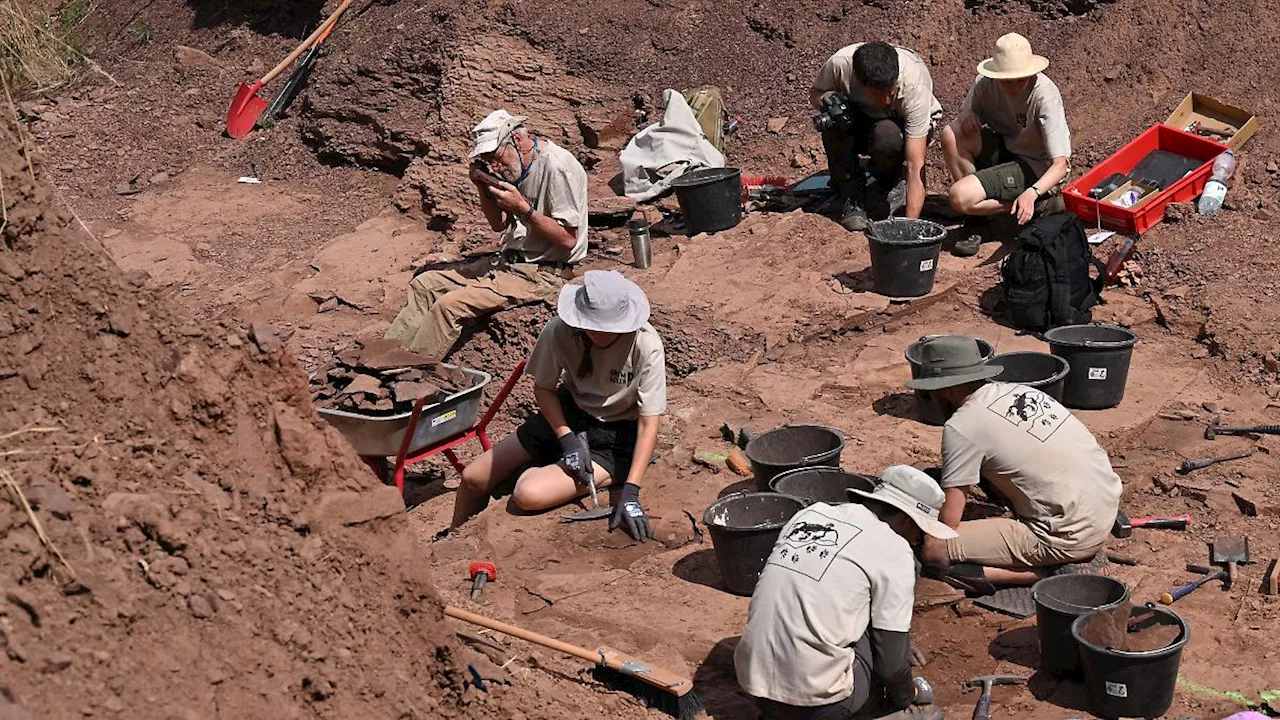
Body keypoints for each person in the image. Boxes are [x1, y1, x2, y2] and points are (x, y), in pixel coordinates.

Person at [451, 271, 665, 541]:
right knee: (473, 478)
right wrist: (567, 439)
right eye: (593, 325)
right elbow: (544, 389)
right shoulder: (560, 331)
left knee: (527, 493)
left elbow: (648, 422)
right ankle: (453, 542)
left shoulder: (645, 344)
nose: (599, 333)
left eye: (608, 327)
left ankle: (611, 474)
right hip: (568, 415)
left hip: (616, 435)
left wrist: (631, 492)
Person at [735, 466, 955, 720]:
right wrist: (910, 695)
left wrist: (899, 641)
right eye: (921, 533)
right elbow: (892, 669)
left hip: (756, 687)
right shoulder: (895, 550)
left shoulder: (810, 514)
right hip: (818, 704)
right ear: (908, 519)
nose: (917, 541)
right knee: (924, 713)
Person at [907, 336, 1122, 594]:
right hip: (1103, 509)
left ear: (946, 389)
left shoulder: (962, 426)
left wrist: (916, 520)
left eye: (929, 391)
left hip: (1068, 535)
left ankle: (1045, 572)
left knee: (934, 549)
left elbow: (949, 523)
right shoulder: (1021, 391)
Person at [385, 109, 588, 360]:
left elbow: (568, 240)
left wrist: (523, 209)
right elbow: (498, 225)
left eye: (496, 156)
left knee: (449, 306)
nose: (495, 165)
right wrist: (482, 185)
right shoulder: (516, 166)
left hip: (543, 272)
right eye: (487, 159)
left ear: (516, 139)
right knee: (425, 285)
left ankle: (411, 370)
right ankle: (385, 355)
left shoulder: (556, 167)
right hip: (510, 263)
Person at [940, 34, 1071, 257]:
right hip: (1005, 148)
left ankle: (1041, 203)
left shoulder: (1045, 95)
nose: (1014, 86)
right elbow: (966, 111)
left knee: (959, 197)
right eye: (1007, 81)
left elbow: (1061, 164)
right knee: (951, 133)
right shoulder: (985, 84)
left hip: (1034, 165)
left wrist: (1033, 192)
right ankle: (978, 220)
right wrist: (969, 115)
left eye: (1021, 79)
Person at [811, 42, 944, 231]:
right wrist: (829, 100)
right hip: (861, 118)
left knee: (887, 135)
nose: (887, 100)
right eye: (878, 95)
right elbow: (815, 94)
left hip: (898, 128)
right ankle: (851, 196)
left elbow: (916, 165)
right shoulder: (840, 64)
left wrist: (909, 227)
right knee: (833, 118)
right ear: (858, 79)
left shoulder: (914, 86)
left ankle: (891, 179)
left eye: (891, 92)